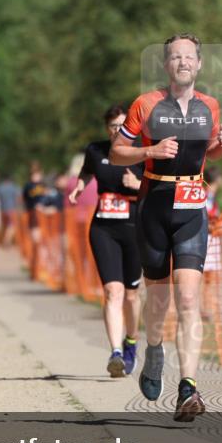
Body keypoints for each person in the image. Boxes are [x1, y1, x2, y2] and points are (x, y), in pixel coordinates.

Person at [110, 33, 222, 422]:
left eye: (189, 57)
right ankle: (154, 349)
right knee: (159, 302)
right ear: (166, 65)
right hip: (154, 206)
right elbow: (116, 152)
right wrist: (150, 150)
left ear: (199, 65)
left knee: (188, 301)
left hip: (192, 209)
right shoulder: (145, 105)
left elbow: (208, 151)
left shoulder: (209, 106)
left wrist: (221, 148)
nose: (183, 62)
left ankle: (188, 388)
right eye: (175, 57)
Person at [69, 105, 144, 378]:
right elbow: (87, 171)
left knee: (132, 294)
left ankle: (132, 342)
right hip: (103, 228)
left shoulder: (142, 153)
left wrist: (137, 185)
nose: (117, 131)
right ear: (106, 129)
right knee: (113, 291)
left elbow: (158, 188)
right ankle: (115, 353)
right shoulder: (96, 151)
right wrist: (80, 186)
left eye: (122, 126)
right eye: (113, 126)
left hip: (135, 229)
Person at [202, 165, 222, 320]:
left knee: (210, 278)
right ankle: (203, 309)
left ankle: (207, 309)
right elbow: (202, 217)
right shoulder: (205, 195)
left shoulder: (213, 196)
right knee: (203, 277)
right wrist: (213, 226)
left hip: (213, 240)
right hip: (206, 239)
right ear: (216, 179)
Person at [23, 162, 47, 279]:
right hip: (33, 215)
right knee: (36, 242)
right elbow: (25, 200)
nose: (36, 176)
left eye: (37, 174)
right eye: (34, 174)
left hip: (44, 216)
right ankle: (35, 270)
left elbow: (47, 198)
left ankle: (42, 269)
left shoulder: (43, 185)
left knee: (43, 244)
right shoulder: (28, 186)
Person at [0, 175, 20, 247]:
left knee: (5, 226)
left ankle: (6, 241)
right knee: (12, 226)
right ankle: (6, 240)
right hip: (11, 210)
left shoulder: (0, 187)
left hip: (2, 210)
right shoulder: (14, 187)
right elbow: (18, 198)